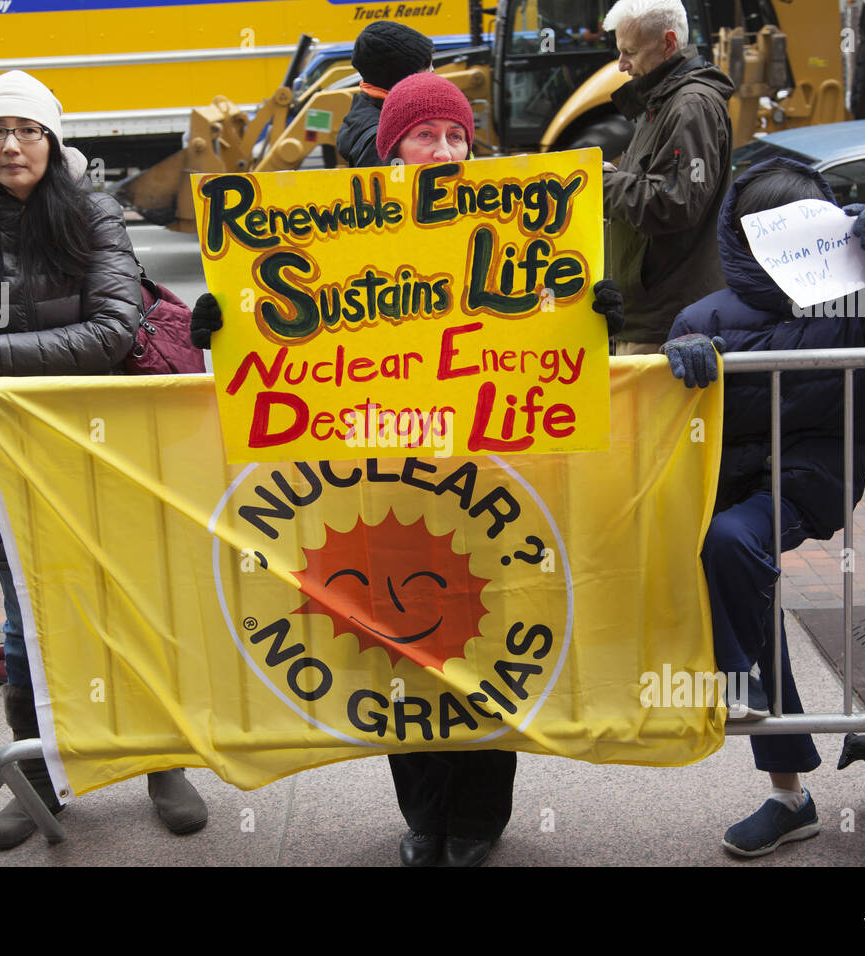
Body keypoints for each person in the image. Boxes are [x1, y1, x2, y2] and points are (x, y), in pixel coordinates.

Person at [191, 72, 622, 867]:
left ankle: (479, 820)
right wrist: (220, 326)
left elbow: (551, 336)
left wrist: (593, 314)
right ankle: (425, 818)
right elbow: (277, 331)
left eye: (458, 136)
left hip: (485, 482)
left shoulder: (515, 223)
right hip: (380, 482)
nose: (446, 150)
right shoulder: (334, 229)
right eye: (427, 136)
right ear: (392, 148)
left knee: (486, 648)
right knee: (399, 650)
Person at [0, 69, 208, 850]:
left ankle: (164, 759)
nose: (14, 146)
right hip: (9, 457)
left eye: (30, 130)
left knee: (137, 606)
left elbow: (111, 329)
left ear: (54, 140)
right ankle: (37, 778)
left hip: (107, 448)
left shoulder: (93, 214)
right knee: (25, 621)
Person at [662, 157, 865, 857]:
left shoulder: (852, 310)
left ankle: (741, 688)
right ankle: (789, 794)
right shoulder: (701, 317)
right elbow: (665, 419)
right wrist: (674, 363)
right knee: (740, 576)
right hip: (726, 483)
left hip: (807, 478)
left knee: (732, 547)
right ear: (743, 241)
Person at [599, 0, 733, 354]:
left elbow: (673, 203)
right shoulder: (664, 101)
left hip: (667, 322)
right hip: (653, 313)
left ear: (669, 43)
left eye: (630, 51)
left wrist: (602, 184)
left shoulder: (690, 106)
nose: (621, 64)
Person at [336, 20, 434, 169]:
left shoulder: (382, 114)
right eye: (426, 66)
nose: (433, 71)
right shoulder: (380, 142)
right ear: (401, 79)